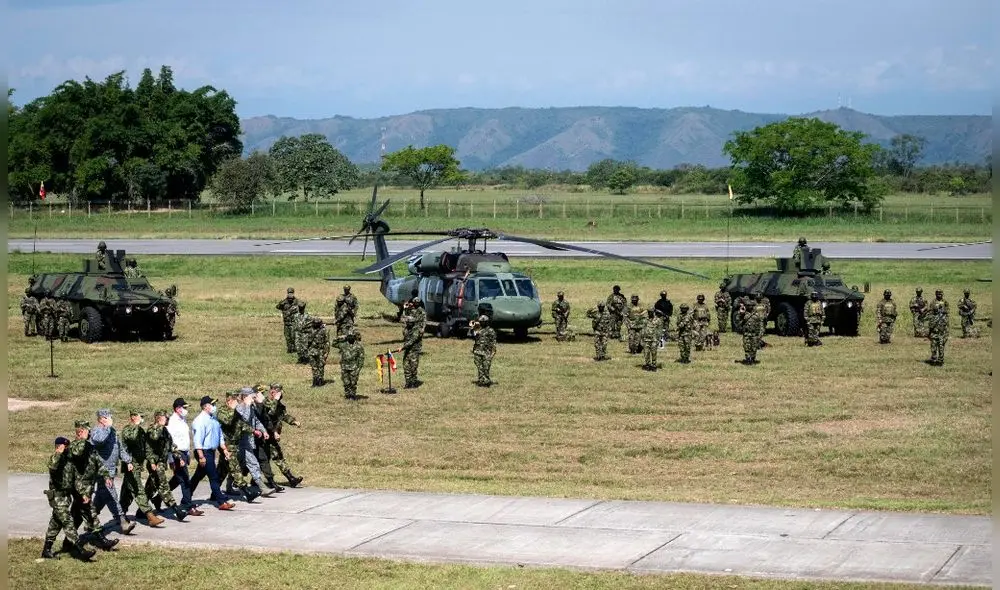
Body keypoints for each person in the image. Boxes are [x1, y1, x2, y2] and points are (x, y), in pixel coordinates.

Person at [42, 435, 98, 560]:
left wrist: (83, 493)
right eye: (65, 446)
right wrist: (58, 453)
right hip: (57, 497)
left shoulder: (69, 461)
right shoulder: (55, 459)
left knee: (55, 523)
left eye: (67, 447)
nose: (67, 449)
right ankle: (80, 550)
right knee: (68, 522)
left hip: (66, 497)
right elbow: (52, 466)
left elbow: (76, 480)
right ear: (59, 447)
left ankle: (46, 550)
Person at [66, 420, 119, 551]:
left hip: (88, 487)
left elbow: (98, 463)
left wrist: (106, 475)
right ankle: (101, 540)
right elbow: (76, 457)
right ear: (81, 431)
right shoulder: (74, 447)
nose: (90, 433)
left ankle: (67, 543)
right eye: (87, 431)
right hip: (79, 488)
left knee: (77, 515)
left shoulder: (89, 447)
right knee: (91, 513)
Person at [88, 409, 135, 534]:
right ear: (102, 419)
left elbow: (119, 447)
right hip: (102, 471)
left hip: (111, 469)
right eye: (109, 417)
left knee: (101, 496)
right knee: (111, 495)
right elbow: (100, 440)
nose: (111, 419)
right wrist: (107, 428)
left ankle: (90, 521)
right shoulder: (96, 431)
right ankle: (122, 522)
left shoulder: (112, 431)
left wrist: (127, 461)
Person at [118, 410, 165, 526]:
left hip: (138, 465)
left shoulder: (140, 431)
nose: (142, 418)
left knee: (127, 491)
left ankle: (120, 514)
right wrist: (136, 426)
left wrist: (151, 459)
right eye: (140, 416)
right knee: (138, 489)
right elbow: (131, 439)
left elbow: (146, 446)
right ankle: (150, 516)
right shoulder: (128, 429)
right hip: (130, 465)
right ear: (133, 417)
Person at [188, 396, 235, 510]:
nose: (214, 407)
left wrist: (224, 449)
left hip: (211, 451)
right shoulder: (200, 421)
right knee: (213, 477)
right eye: (212, 404)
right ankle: (221, 502)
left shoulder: (213, 419)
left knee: (197, 477)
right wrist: (201, 456)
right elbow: (197, 440)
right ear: (205, 407)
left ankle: (186, 498)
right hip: (204, 452)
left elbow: (219, 435)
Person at [143, 410, 189, 521]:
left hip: (161, 463)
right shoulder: (153, 429)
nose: (168, 420)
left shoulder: (165, 431)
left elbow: (171, 446)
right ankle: (177, 511)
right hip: (155, 463)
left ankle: (141, 511)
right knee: (163, 486)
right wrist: (152, 461)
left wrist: (179, 457)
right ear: (159, 418)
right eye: (165, 418)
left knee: (150, 487)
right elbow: (149, 445)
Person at [215, 391, 259, 502]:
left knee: (222, 471)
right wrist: (233, 411)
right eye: (235, 401)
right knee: (235, 468)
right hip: (226, 445)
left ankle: (214, 493)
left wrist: (253, 431)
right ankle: (247, 492)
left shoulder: (235, 412)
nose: (237, 403)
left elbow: (241, 424)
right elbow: (228, 421)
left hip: (235, 444)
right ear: (229, 401)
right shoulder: (222, 411)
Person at [235, 387, 277, 496]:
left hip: (248, 441)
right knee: (253, 463)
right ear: (245, 397)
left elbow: (256, 421)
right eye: (251, 397)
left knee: (237, 465)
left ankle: (229, 485)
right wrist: (248, 405)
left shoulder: (251, 407)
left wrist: (264, 431)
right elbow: (244, 419)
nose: (253, 399)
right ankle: (262, 488)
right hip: (241, 441)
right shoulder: (239, 408)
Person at [166, 398, 203, 516]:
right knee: (185, 481)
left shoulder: (182, 419)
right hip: (177, 454)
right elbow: (169, 442)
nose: (186, 410)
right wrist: (172, 459)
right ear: (177, 409)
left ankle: (158, 498)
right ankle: (188, 506)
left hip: (184, 453)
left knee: (177, 479)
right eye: (184, 408)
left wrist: (187, 454)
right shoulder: (172, 422)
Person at [262, 384, 303, 487]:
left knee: (276, 456)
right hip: (264, 435)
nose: (281, 395)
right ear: (273, 392)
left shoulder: (279, 405)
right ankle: (239, 479)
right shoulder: (265, 402)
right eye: (279, 393)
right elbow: (270, 414)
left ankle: (291, 479)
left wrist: (293, 421)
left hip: (272, 436)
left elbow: (283, 415)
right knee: (260, 459)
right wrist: (275, 400)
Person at [401, 297, 426, 388]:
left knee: (413, 366)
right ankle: (408, 382)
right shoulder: (407, 327)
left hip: (414, 349)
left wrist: (402, 347)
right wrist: (405, 309)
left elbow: (412, 340)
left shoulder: (416, 329)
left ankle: (413, 382)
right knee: (406, 365)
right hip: (408, 349)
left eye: (409, 322)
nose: (407, 323)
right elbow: (403, 320)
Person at [334, 330, 365, 400]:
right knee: (346, 382)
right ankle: (347, 395)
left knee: (353, 383)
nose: (350, 338)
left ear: (354, 337)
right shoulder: (343, 345)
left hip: (354, 367)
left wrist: (358, 369)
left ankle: (353, 395)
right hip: (344, 367)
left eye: (352, 336)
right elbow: (333, 343)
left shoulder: (359, 346)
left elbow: (361, 359)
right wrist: (341, 337)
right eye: (349, 336)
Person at [471, 315, 497, 387]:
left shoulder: (491, 330)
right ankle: (481, 380)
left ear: (487, 322)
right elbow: (473, 336)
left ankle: (486, 381)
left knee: (486, 367)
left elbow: (493, 341)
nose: (482, 323)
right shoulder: (477, 329)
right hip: (478, 351)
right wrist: (473, 328)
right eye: (481, 322)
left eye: (484, 322)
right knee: (479, 367)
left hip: (487, 352)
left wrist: (493, 351)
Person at [738, 296, 763, 365]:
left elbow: (761, 324)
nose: (748, 307)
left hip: (754, 334)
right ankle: (748, 359)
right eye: (747, 305)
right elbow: (739, 322)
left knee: (754, 347)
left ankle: (752, 358)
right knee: (747, 347)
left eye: (749, 306)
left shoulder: (757, 314)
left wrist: (760, 334)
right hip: (746, 333)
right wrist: (741, 314)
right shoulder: (744, 314)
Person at [307, 316, 330, 387]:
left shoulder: (324, 330)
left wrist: (326, 353)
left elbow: (327, 342)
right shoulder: (310, 330)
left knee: (320, 366)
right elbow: (307, 340)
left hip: (321, 351)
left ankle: (320, 380)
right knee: (314, 367)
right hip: (312, 350)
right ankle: (315, 380)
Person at [276, 288, 300, 353]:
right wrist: (283, 302)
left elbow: (302, 306)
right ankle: (289, 349)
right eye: (289, 293)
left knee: (293, 336)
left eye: (291, 293)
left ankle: (294, 349)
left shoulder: (296, 302)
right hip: (286, 323)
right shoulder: (284, 302)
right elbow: (278, 307)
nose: (290, 294)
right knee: (287, 337)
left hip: (293, 323)